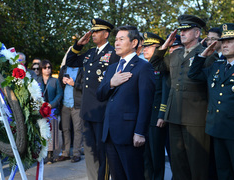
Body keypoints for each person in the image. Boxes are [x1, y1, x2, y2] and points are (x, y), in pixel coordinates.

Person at [188, 23, 234, 180]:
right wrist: (202, 55)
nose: (225, 44)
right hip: (217, 127)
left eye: (230, 41)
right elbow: (193, 74)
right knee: (222, 171)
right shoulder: (217, 65)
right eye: (224, 41)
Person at [157, 14, 213, 180]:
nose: (182, 33)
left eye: (186, 30)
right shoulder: (175, 54)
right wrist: (165, 46)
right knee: (178, 163)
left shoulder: (207, 54)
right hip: (174, 115)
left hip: (196, 118)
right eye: (181, 30)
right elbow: (156, 65)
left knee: (198, 165)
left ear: (197, 33)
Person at [97, 25, 155, 180]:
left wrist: (140, 132)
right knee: (117, 176)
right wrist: (111, 83)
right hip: (110, 133)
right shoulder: (112, 68)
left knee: (133, 175)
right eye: (115, 39)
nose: (116, 43)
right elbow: (100, 95)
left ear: (134, 42)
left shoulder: (144, 67)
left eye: (121, 39)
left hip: (130, 134)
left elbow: (146, 102)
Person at [65, 18, 119, 180]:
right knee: (89, 150)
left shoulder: (113, 54)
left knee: (102, 151)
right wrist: (79, 45)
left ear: (106, 34)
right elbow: (71, 61)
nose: (93, 34)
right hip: (87, 110)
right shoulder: (89, 53)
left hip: (102, 110)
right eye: (93, 31)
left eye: (96, 31)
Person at [141, 32, 168, 180]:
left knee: (156, 156)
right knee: (145, 156)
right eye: (144, 46)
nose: (144, 49)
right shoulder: (144, 66)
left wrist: (162, 115)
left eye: (149, 47)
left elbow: (165, 91)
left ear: (158, 48)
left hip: (155, 117)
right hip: (143, 118)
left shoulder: (163, 67)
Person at [37, 59, 63, 164]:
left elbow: (59, 94)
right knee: (41, 132)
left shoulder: (55, 81)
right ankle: (41, 153)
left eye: (49, 67)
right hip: (40, 110)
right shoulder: (37, 80)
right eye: (45, 68)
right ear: (41, 69)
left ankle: (50, 155)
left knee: (52, 133)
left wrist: (51, 104)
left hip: (52, 110)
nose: (47, 70)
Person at [57, 65, 84, 163]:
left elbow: (85, 86)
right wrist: (63, 82)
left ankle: (76, 153)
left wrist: (74, 84)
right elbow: (59, 83)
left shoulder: (82, 68)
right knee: (65, 129)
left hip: (77, 105)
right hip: (65, 104)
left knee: (78, 129)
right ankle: (66, 153)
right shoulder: (64, 68)